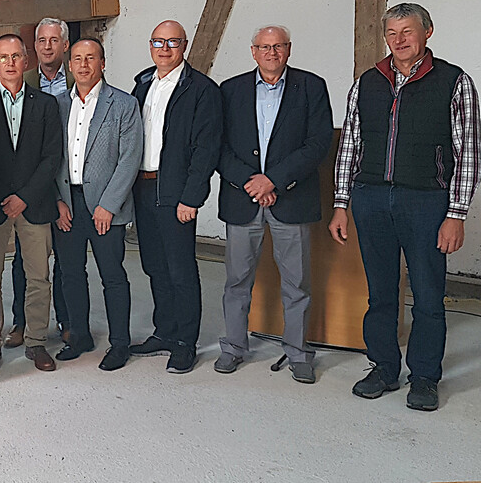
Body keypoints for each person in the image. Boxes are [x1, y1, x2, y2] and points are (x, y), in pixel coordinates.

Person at [329, 3, 479, 411]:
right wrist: (342, 203)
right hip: (372, 198)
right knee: (380, 293)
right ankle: (383, 367)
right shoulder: (367, 82)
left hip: (427, 202)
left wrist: (456, 213)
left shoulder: (454, 82)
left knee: (429, 295)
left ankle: (425, 377)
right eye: (392, 32)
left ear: (428, 31)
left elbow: (468, 154)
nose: (399, 40)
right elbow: (350, 148)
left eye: (407, 31)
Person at [216, 26, 332, 384]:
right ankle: (233, 347)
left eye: (278, 46)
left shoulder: (312, 86)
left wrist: (275, 181)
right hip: (242, 198)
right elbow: (217, 146)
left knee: (296, 283)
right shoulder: (230, 90)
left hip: (291, 198)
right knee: (236, 280)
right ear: (253, 52)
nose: (271, 52)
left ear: (288, 49)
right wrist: (253, 183)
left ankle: (298, 353)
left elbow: (318, 143)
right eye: (264, 47)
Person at [130, 20, 222, 374]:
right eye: (158, 41)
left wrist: (192, 198)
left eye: (172, 42)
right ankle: (165, 331)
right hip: (143, 187)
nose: (164, 48)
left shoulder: (201, 89)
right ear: (150, 46)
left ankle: (186, 341)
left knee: (181, 268)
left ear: (184, 46)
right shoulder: (142, 83)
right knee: (154, 264)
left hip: (176, 192)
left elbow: (205, 149)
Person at [0, 34, 63, 373]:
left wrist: (24, 197)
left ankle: (36, 341)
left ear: (27, 61)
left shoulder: (46, 105)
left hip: (33, 203)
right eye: (3, 57)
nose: (9, 62)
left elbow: (52, 158)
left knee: (39, 275)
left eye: (16, 56)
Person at [53, 39, 142, 370]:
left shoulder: (123, 104)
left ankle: (120, 343)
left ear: (102, 63)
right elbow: (52, 158)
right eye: (77, 59)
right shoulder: (58, 104)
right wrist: (58, 202)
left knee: (113, 275)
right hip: (68, 203)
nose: (84, 64)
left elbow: (129, 158)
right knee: (71, 273)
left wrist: (109, 205)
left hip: (106, 205)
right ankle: (79, 335)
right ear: (70, 65)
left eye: (91, 58)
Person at [6, 17, 74, 349]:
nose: (47, 45)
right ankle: (21, 321)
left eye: (54, 40)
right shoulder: (23, 82)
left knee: (66, 257)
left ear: (65, 45)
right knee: (25, 260)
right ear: (34, 48)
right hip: (35, 190)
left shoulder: (81, 80)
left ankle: (65, 318)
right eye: (41, 40)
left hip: (68, 181)